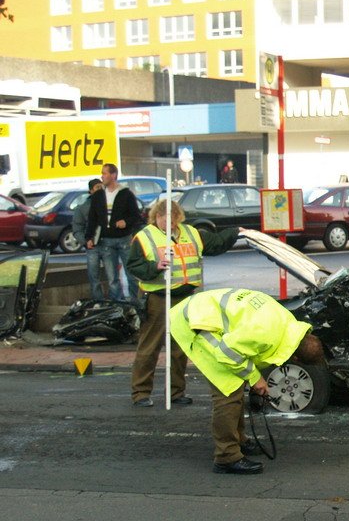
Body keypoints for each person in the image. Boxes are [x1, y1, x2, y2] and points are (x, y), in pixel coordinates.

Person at [170, 288, 326, 475]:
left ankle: (239, 441)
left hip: (203, 311)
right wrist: (255, 378)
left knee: (238, 379)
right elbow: (227, 352)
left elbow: (251, 349)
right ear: (296, 360)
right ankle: (226, 457)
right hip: (195, 323)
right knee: (228, 391)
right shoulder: (266, 336)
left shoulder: (287, 323)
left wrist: (253, 377)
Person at [125, 200, 239, 408]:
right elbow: (133, 265)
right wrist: (155, 267)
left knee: (180, 347)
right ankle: (140, 392)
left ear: (178, 218)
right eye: (162, 218)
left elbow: (216, 244)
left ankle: (176, 391)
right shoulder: (145, 237)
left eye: (171, 218)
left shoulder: (192, 233)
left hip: (186, 297)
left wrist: (236, 232)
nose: (167, 222)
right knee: (150, 346)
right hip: (158, 297)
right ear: (156, 217)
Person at [86, 163, 145, 305]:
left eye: (105, 173)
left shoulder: (126, 194)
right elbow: (92, 218)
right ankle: (116, 303)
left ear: (113, 175)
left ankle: (136, 302)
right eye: (102, 173)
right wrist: (89, 237)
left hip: (124, 239)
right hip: (106, 240)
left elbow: (136, 216)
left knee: (130, 272)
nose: (102, 176)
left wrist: (126, 222)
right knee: (112, 276)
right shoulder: (98, 195)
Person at [72, 179, 106, 301]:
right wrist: (86, 241)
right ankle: (98, 301)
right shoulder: (82, 208)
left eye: (102, 187)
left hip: (109, 245)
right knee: (94, 277)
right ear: (90, 191)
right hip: (93, 247)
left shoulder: (110, 204)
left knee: (114, 278)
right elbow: (77, 229)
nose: (101, 190)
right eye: (97, 187)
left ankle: (116, 302)